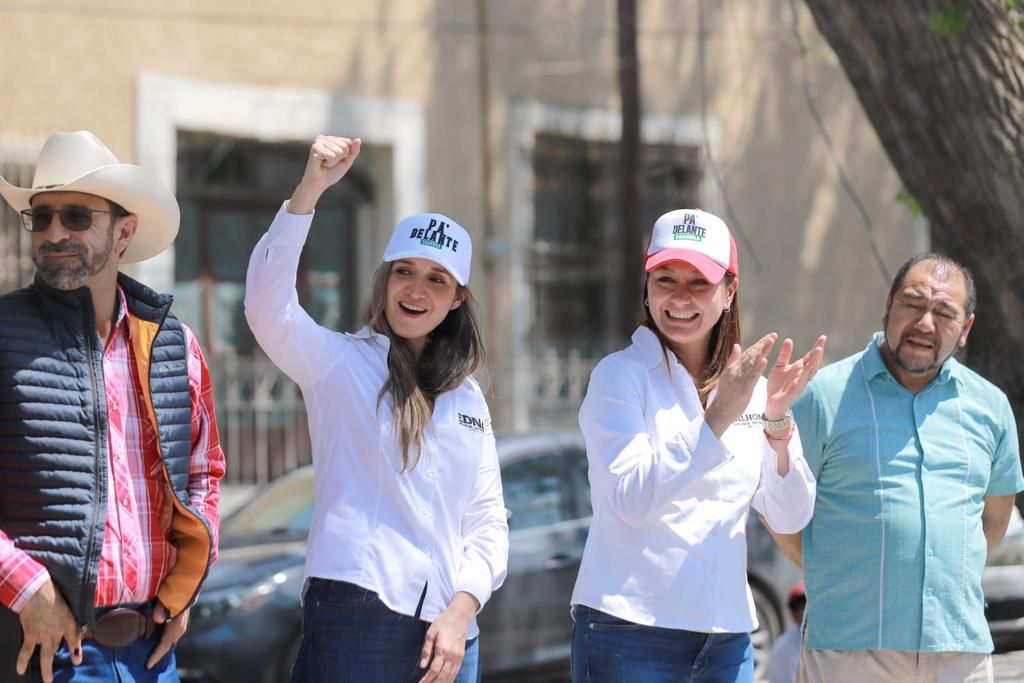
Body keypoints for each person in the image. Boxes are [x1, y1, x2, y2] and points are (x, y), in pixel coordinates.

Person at [244, 135, 508, 683]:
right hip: (358, 614)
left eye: (436, 279)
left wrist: (461, 612)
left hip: (452, 633)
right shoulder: (339, 363)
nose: (416, 290)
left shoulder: (467, 396)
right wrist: (309, 190)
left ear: (457, 298)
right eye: (404, 271)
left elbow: (487, 521)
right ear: (385, 279)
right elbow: (267, 308)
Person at [0, 131, 225, 682]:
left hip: (153, 654)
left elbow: (204, 473)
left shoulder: (174, 344)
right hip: (42, 651)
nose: (54, 232)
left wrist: (186, 585)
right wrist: (28, 588)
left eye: (76, 216)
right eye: (41, 217)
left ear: (124, 231)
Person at [570, 208, 826, 682]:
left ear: (729, 292)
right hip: (629, 628)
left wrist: (777, 421)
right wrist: (716, 419)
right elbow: (630, 498)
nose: (679, 297)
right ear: (647, 287)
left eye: (699, 282)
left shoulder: (749, 390)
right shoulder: (618, 376)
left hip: (726, 637)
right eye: (665, 279)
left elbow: (791, 516)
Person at [781, 254, 1024, 683]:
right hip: (850, 651)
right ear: (888, 305)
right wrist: (834, 568)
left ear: (965, 329)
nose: (925, 323)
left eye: (944, 312)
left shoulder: (990, 407)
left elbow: (993, 523)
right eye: (913, 303)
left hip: (959, 650)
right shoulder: (823, 397)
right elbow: (780, 509)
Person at [765, 581, 806, 683]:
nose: (803, 611)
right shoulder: (785, 646)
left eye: (806, 604)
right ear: (793, 613)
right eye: (799, 606)